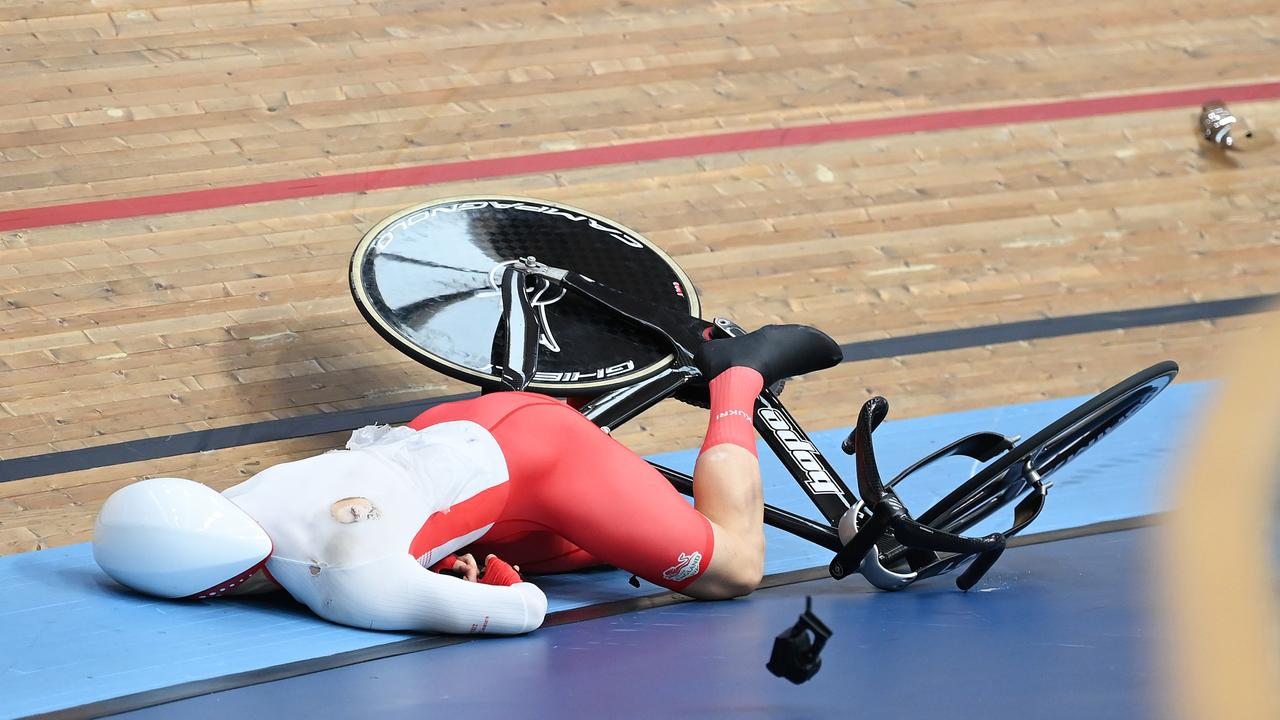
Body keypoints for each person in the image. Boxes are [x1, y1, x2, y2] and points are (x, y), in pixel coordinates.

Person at [93, 325, 842, 635]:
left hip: (540, 459)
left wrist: (492, 588)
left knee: (731, 568)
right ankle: (614, 474)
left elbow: (525, 610)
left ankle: (737, 376)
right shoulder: (231, 503)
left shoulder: (344, 576)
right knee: (604, 552)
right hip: (456, 440)